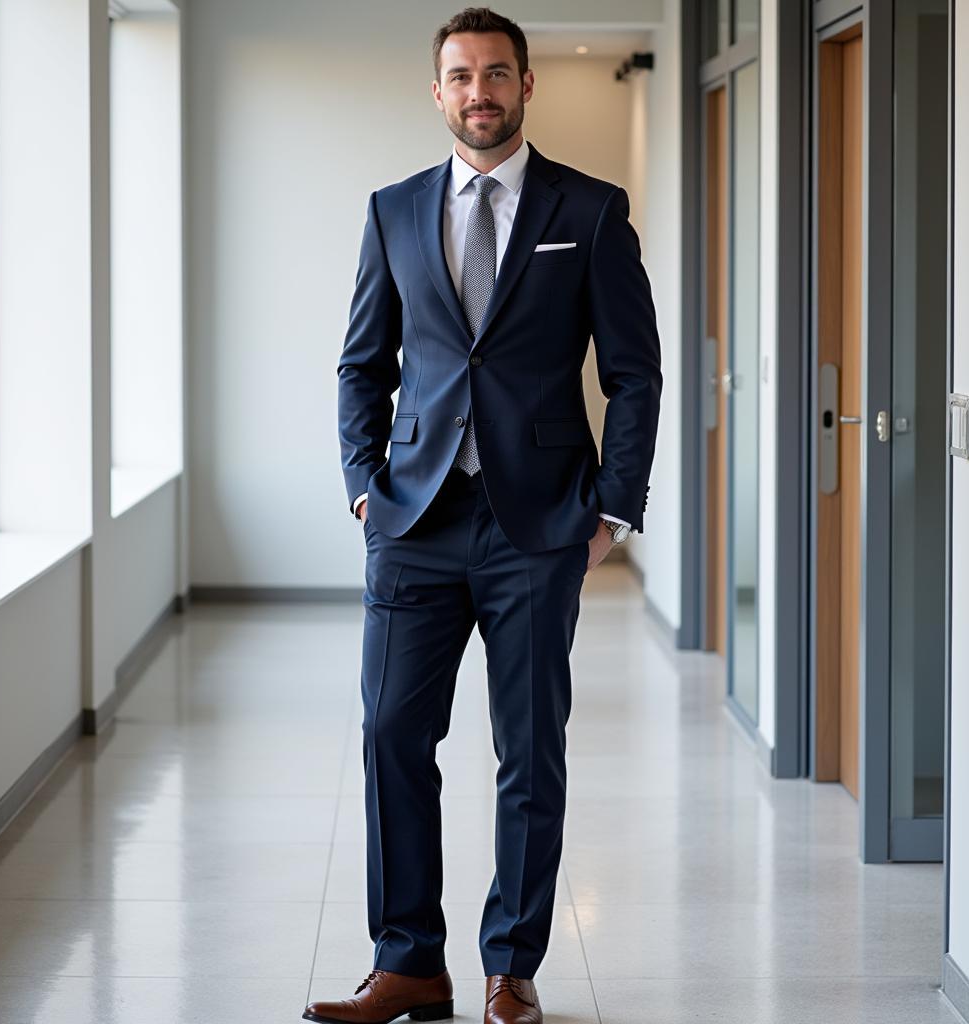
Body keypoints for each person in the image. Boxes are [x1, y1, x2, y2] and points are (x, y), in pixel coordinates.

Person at [306, 8, 661, 1023]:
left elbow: (634, 374)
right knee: (388, 733)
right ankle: (408, 959)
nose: (479, 92)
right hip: (411, 520)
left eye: (496, 73)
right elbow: (361, 363)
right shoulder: (393, 210)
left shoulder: (587, 210)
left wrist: (612, 513)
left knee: (528, 751)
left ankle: (511, 963)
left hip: (538, 526)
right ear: (437, 92)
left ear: (525, 85)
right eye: (459, 76)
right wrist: (362, 482)